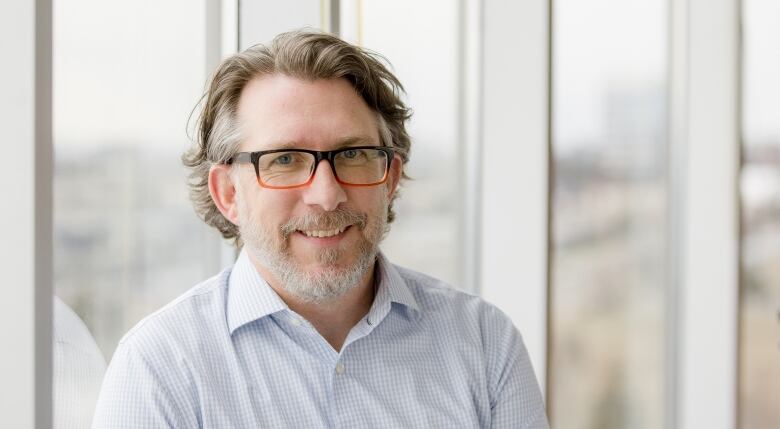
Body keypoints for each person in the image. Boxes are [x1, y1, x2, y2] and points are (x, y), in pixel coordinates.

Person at [93, 30, 548, 428]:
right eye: (286, 160)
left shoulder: (485, 344)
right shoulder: (160, 368)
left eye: (352, 155)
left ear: (389, 177)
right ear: (228, 192)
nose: (327, 195)